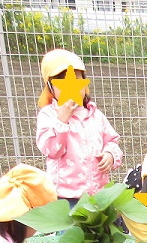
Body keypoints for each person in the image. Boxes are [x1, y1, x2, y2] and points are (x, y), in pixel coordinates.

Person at [35, 48, 122, 208]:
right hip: (66, 197)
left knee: (101, 232)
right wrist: (62, 120)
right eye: (61, 82)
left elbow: (112, 141)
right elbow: (51, 150)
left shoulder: (95, 115)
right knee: (69, 233)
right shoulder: (49, 115)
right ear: (50, 87)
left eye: (76, 80)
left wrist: (110, 154)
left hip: (99, 195)